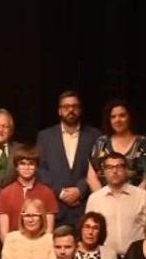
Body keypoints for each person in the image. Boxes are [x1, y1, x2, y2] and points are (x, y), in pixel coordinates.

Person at [36, 90, 102, 225]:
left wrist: (80, 190)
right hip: (55, 210)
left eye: (75, 106)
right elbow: (41, 170)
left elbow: (99, 168)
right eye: (66, 107)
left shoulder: (95, 135)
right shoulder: (45, 137)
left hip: (85, 210)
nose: (70, 110)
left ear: (80, 110)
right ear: (59, 111)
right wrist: (61, 193)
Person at [85, 151, 146, 259]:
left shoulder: (142, 196)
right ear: (103, 171)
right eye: (109, 167)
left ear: (126, 170)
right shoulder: (94, 199)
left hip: (136, 258)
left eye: (119, 166)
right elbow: (88, 233)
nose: (115, 171)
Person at [90, 100, 146, 189]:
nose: (117, 120)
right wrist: (101, 198)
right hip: (104, 199)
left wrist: (137, 198)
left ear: (130, 117)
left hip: (136, 199)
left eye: (122, 115)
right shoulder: (101, 143)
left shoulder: (143, 144)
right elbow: (91, 174)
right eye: (113, 117)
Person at [0, 148, 58, 239]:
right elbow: (4, 233)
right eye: (22, 163)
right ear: (16, 167)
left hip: (40, 247)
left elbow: (49, 232)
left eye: (31, 164)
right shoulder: (6, 193)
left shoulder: (47, 193)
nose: (27, 167)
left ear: (36, 167)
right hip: (14, 247)